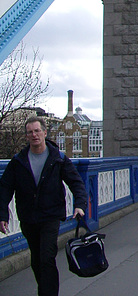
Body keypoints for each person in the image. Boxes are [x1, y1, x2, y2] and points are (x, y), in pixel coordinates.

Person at [0, 116, 88, 296]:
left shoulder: (58, 158)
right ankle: (45, 290)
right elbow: (5, 188)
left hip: (51, 215)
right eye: (30, 132)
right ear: (26, 136)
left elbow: (76, 182)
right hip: (28, 217)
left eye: (37, 131)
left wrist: (80, 204)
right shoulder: (18, 161)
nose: (34, 135)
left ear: (45, 133)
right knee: (37, 260)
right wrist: (2, 215)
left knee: (47, 258)